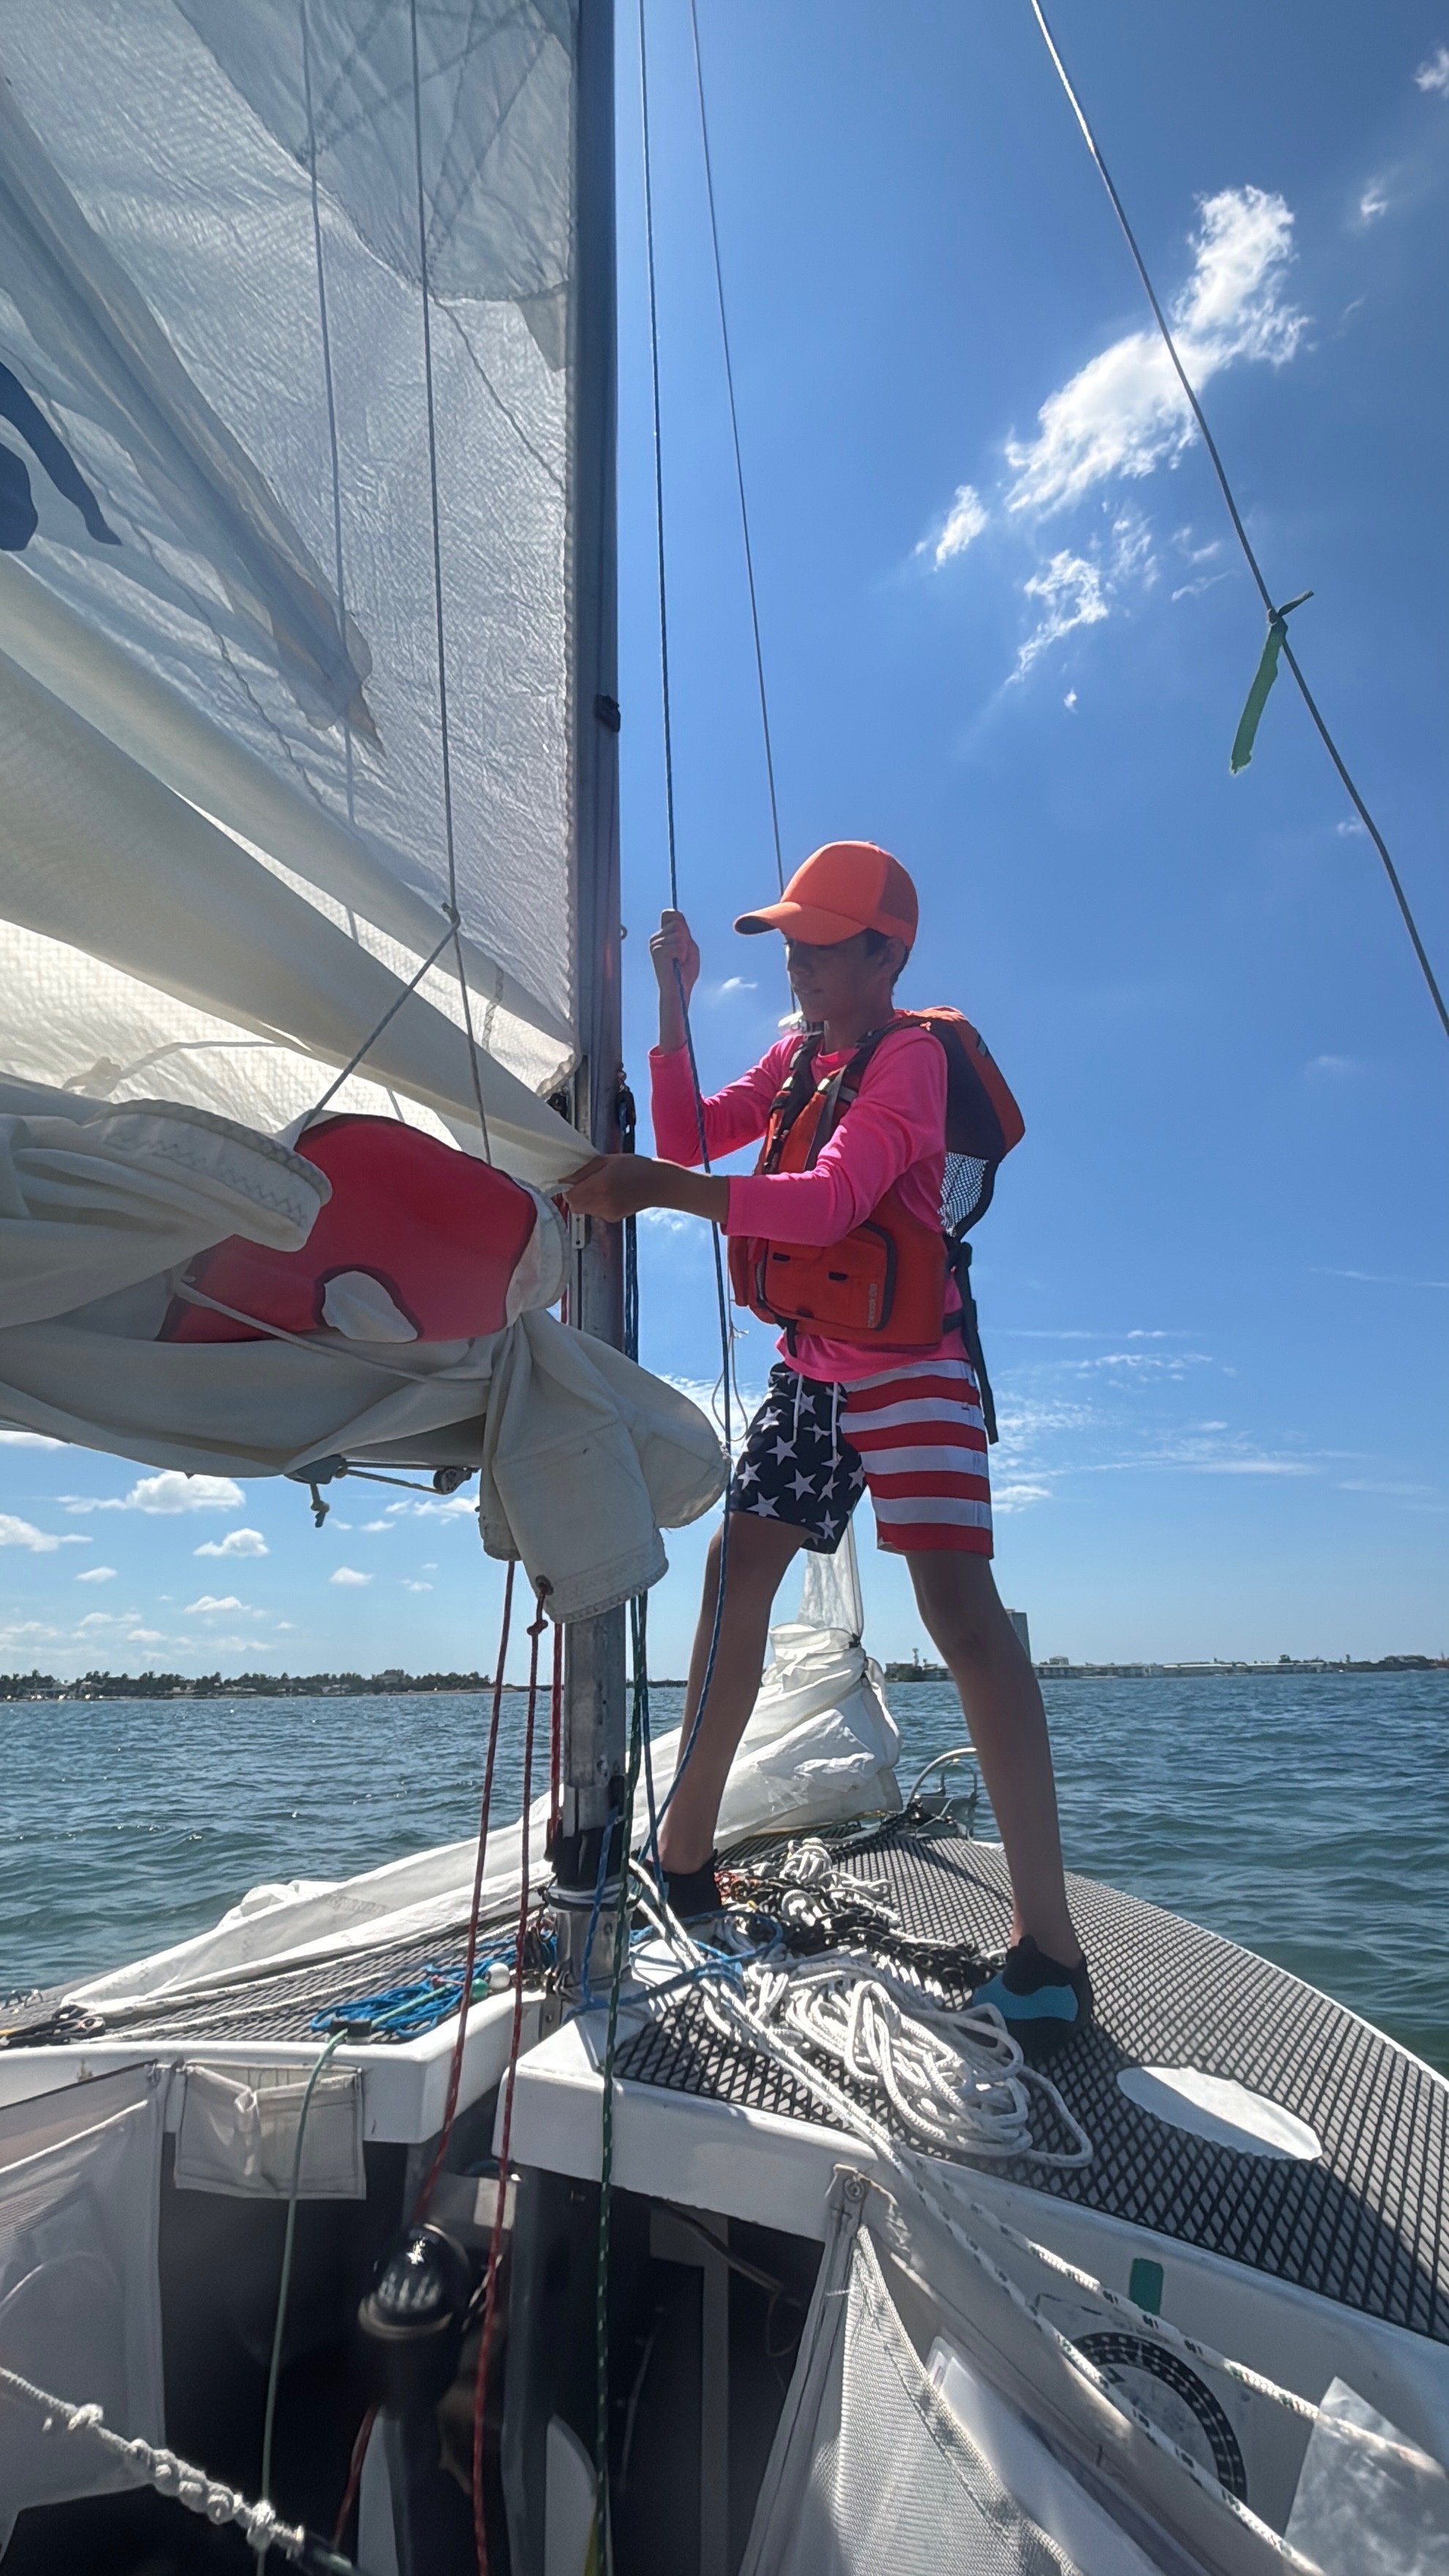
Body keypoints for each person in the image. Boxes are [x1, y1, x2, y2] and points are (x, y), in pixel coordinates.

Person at [564, 839, 1090, 2054]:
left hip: (914, 1369)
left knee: (962, 1616)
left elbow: (836, 1201)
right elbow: (693, 1131)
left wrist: (653, 1191)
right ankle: (684, 1862)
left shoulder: (907, 1062)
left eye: (816, 941)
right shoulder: (799, 1052)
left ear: (882, 953)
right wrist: (674, 998)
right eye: (789, 940)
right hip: (814, 1369)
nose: (794, 959)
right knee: (734, 1572)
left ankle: (1051, 1949)